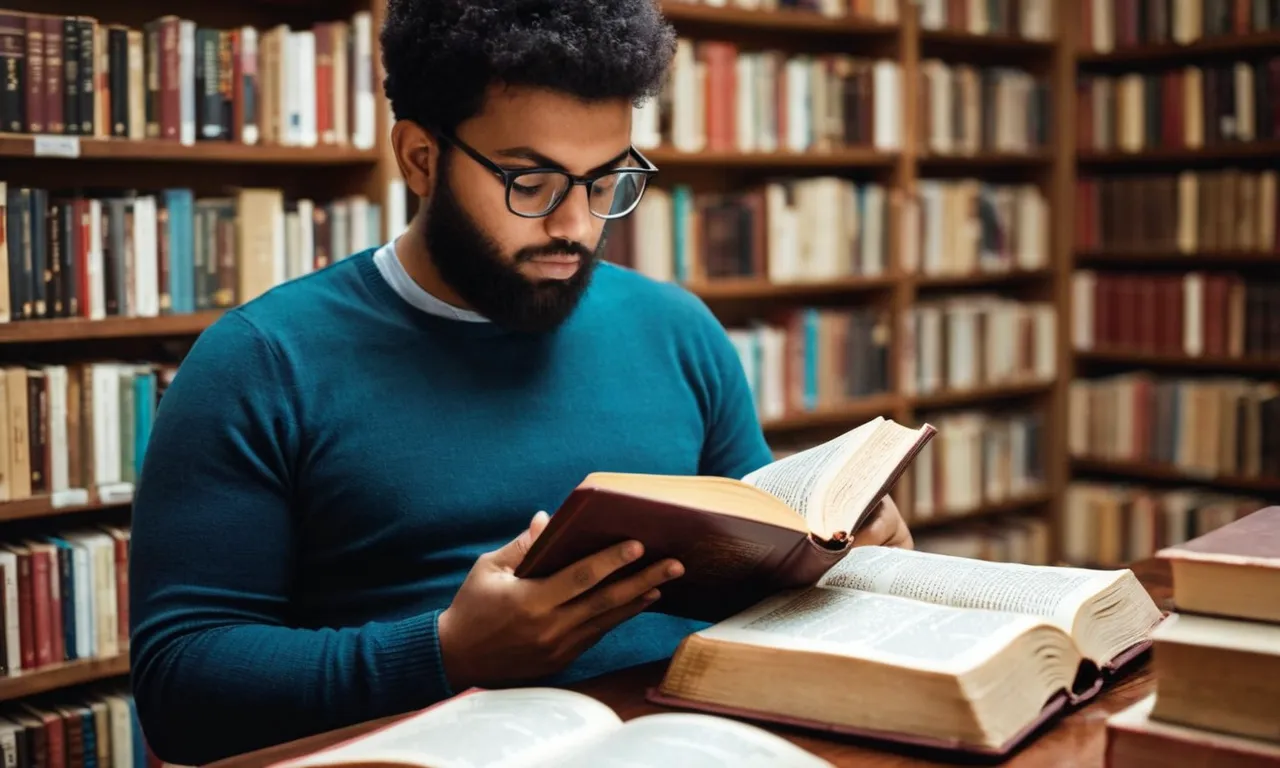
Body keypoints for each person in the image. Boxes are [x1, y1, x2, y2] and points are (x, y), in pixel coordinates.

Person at [127, 0, 914, 763]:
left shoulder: (679, 332)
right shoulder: (261, 362)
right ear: (419, 158)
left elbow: (758, 572)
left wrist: (842, 561)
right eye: (531, 183)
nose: (575, 226)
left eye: (606, 180)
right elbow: (180, 686)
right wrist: (444, 652)